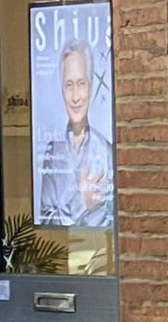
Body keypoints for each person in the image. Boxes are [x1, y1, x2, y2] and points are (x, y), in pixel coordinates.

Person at [36, 39, 114, 228]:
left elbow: (110, 218)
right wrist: (81, 202)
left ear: (91, 88)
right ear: (61, 91)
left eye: (81, 84)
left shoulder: (106, 151)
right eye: (69, 85)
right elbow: (46, 222)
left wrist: (67, 211)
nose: (75, 97)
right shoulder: (53, 151)